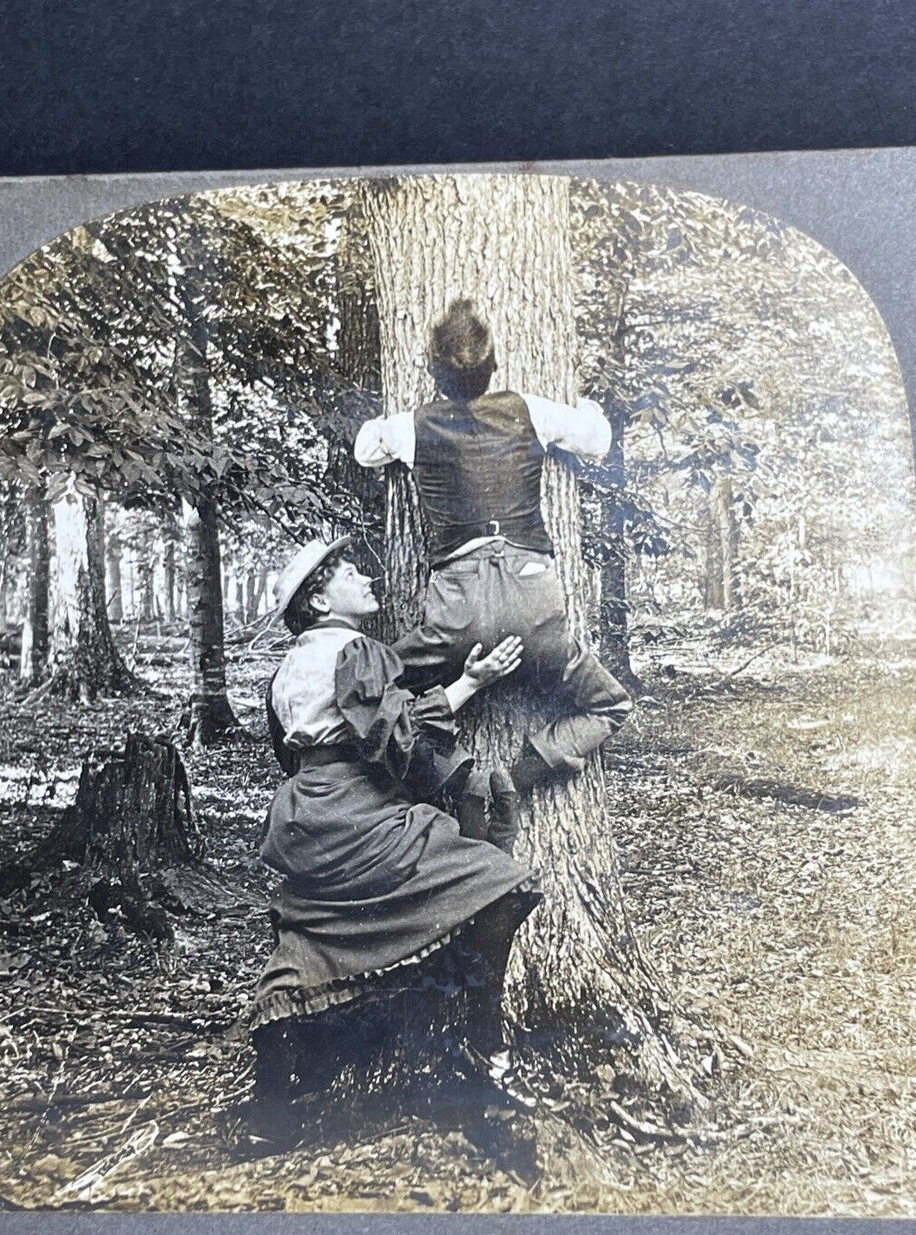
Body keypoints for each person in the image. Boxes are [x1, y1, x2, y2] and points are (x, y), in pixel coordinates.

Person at [243, 536, 541, 1152]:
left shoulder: (286, 670)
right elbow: (398, 743)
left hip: (302, 816)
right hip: (356, 810)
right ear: (321, 599)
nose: (364, 577)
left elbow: (289, 751)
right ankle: (483, 1046)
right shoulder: (358, 650)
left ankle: (270, 1105)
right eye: (348, 572)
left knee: (313, 927)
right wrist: (466, 712)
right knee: (505, 887)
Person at [354, 298, 634, 792]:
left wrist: (388, 428)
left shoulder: (412, 426)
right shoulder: (530, 410)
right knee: (611, 703)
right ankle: (521, 776)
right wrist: (589, 409)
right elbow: (597, 440)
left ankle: (452, 778)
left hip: (456, 614)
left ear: (431, 371)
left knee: (374, 689)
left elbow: (364, 450)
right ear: (496, 366)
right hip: (533, 605)